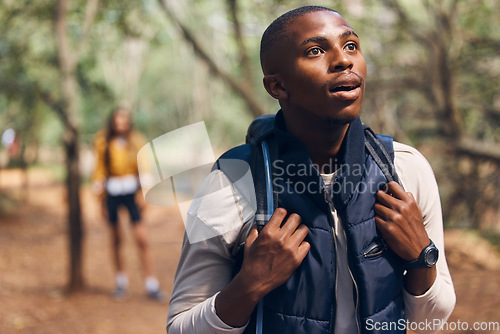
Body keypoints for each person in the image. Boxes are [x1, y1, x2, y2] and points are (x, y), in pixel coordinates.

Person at [167, 6, 455, 334]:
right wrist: (249, 285)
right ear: (277, 87)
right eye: (315, 51)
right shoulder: (229, 183)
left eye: (351, 46)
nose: (344, 60)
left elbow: (432, 318)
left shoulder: (405, 169)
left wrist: (421, 255)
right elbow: (181, 326)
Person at [92, 108, 164, 301]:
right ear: (112, 122)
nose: (120, 124)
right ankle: (121, 282)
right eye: (117, 121)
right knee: (116, 238)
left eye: (123, 121)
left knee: (141, 238)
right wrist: (100, 199)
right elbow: (99, 169)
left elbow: (145, 167)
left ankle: (151, 284)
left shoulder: (136, 140)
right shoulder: (102, 141)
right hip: (112, 194)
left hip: (132, 193)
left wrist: (144, 192)